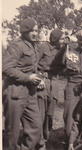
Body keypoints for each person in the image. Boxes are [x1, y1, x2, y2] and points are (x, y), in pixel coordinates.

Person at [2, 18, 43, 150]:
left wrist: (38, 78)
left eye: (37, 30)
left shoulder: (32, 45)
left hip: (30, 93)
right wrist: (27, 78)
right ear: (25, 31)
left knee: (36, 127)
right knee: (12, 132)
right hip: (15, 92)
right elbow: (6, 68)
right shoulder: (16, 46)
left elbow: (31, 68)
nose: (35, 33)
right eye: (32, 31)